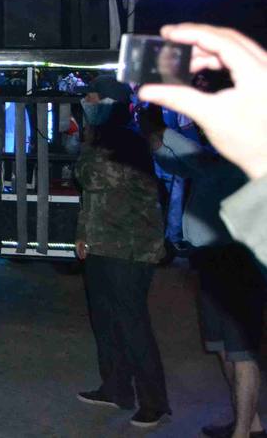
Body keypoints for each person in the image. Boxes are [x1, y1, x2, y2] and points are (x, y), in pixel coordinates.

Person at [143, 103, 259, 437]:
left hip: (239, 262)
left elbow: (180, 151)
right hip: (212, 260)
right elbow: (169, 155)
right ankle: (248, 423)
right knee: (224, 347)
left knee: (242, 352)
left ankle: (242, 432)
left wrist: (156, 122)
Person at [71, 80, 170, 428]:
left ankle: (155, 402)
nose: (85, 103)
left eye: (91, 98)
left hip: (130, 248)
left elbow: (92, 177)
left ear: (109, 103)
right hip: (102, 243)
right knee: (106, 321)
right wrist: (82, 234)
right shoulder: (103, 138)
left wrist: (84, 143)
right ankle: (116, 388)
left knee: (132, 325)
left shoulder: (125, 139)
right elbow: (91, 196)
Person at [137, 24, 267, 271]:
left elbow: (207, 165)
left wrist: (166, 134)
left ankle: (174, 239)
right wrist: (157, 142)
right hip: (210, 244)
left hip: (229, 247)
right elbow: (192, 166)